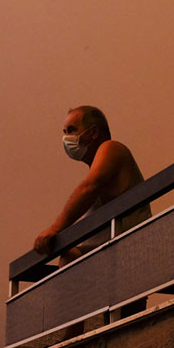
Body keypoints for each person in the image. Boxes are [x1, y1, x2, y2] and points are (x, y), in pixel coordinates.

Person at [33, 105, 151, 266]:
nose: (66, 138)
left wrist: (55, 229)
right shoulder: (97, 170)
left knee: (68, 259)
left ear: (93, 132)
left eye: (72, 130)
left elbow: (89, 188)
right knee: (68, 258)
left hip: (128, 256)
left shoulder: (111, 148)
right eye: (65, 132)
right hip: (112, 260)